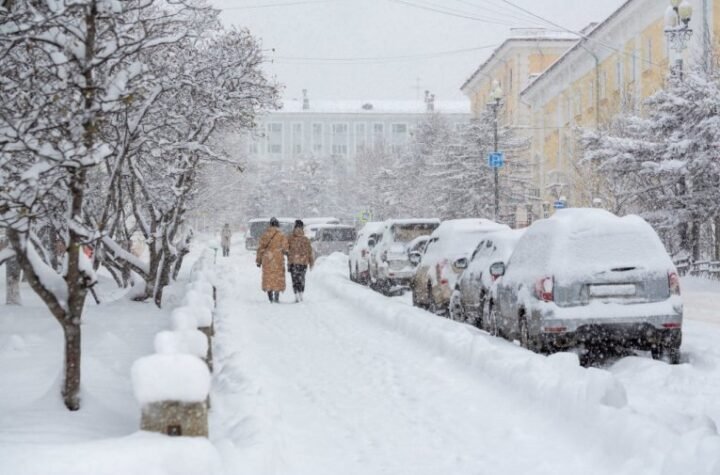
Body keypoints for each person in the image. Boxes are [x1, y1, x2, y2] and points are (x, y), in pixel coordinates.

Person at [255, 217, 288, 303]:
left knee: (268, 277)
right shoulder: (281, 235)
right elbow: (285, 248)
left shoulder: (265, 235)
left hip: (267, 259)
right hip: (278, 259)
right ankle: (277, 296)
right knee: (278, 277)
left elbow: (260, 249)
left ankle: (270, 296)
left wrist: (258, 261)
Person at [287, 219, 314, 302]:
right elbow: (310, 252)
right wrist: (311, 263)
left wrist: (289, 255)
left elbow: (285, 249)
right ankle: (301, 294)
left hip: (293, 262)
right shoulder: (306, 239)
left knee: (294, 279)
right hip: (303, 262)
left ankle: (296, 295)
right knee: (302, 278)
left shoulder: (290, 238)